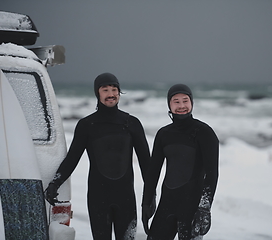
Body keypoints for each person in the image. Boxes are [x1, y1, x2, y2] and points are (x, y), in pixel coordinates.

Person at [45, 72, 151, 240]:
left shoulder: (132, 123)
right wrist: (55, 183)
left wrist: (150, 197)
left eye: (114, 89)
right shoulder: (87, 125)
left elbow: (147, 164)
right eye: (105, 90)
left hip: (126, 199)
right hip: (98, 198)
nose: (111, 94)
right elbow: (73, 158)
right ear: (97, 93)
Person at [142, 84, 219, 240]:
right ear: (169, 105)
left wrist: (204, 208)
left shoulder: (204, 132)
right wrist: (147, 201)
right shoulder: (164, 134)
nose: (182, 106)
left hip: (192, 208)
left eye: (185, 100)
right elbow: (153, 172)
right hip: (167, 205)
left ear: (192, 103)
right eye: (176, 101)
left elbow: (212, 174)